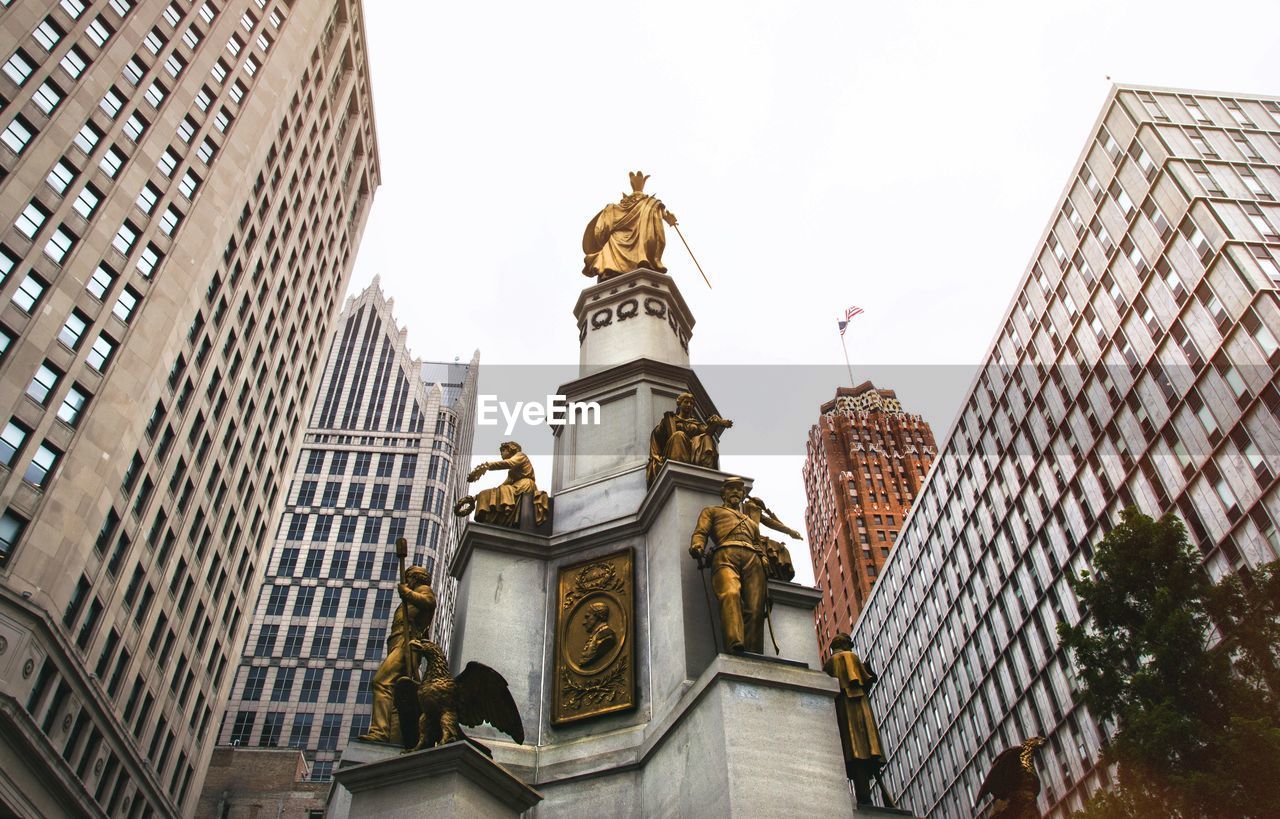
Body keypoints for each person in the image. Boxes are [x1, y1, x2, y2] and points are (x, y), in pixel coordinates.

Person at [689, 477, 768, 654]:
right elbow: (701, 532)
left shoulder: (749, 522)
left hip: (752, 559)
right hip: (725, 555)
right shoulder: (712, 511)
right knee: (730, 594)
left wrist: (763, 558)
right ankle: (735, 643)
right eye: (731, 488)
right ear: (723, 493)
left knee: (755, 609)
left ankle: (754, 652)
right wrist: (697, 545)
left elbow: (757, 543)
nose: (735, 492)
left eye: (739, 490)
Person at [360, 566, 436, 744]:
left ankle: (379, 732)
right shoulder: (411, 594)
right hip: (398, 642)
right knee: (397, 695)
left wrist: (407, 593)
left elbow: (429, 601)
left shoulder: (422, 590)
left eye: (408, 577)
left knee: (382, 681)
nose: (406, 580)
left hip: (405, 643)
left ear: (416, 578)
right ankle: (396, 738)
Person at [824, 633, 892, 806]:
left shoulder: (828, 663)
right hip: (857, 710)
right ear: (846, 644)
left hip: (842, 710)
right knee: (863, 749)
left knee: (855, 752)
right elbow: (863, 680)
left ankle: (864, 796)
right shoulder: (848, 657)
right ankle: (865, 796)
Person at [583, 171, 679, 280]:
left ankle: (610, 271)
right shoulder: (650, 203)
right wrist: (667, 218)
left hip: (616, 241)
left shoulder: (614, 208)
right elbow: (661, 215)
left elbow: (601, 230)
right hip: (638, 243)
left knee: (609, 262)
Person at [646, 392, 733, 485]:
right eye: (686, 402)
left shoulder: (695, 423)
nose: (689, 405)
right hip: (673, 450)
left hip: (692, 451)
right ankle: (679, 467)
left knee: (707, 438)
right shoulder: (671, 420)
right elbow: (658, 436)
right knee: (679, 435)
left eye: (691, 403)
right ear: (679, 403)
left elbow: (708, 432)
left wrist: (716, 423)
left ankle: (707, 469)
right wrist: (663, 426)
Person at [465, 441, 549, 528]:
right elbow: (503, 485)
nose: (501, 454)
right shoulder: (511, 472)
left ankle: (502, 517)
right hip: (515, 487)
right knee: (491, 493)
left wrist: (487, 466)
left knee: (505, 490)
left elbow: (509, 463)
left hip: (525, 485)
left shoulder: (521, 455)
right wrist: (476, 497)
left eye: (503, 451)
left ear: (510, 449)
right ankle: (490, 519)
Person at [578, 601, 618, 668]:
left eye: (587, 617)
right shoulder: (594, 636)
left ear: (598, 616)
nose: (583, 622)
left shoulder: (607, 637)